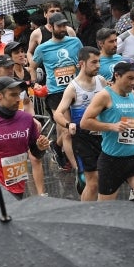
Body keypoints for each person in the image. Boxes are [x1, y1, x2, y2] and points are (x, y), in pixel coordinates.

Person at [81, 61, 134, 207]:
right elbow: (85, 122)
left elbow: (126, 120)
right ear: (117, 75)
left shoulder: (132, 94)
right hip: (112, 161)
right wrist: (111, 126)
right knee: (106, 209)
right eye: (130, 78)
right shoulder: (104, 96)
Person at [52, 47, 107, 201]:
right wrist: (68, 124)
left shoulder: (101, 81)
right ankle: (86, 217)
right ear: (82, 64)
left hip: (103, 135)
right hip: (83, 139)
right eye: (94, 62)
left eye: (99, 62)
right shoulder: (73, 88)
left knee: (105, 179)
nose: (98, 65)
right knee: (93, 183)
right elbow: (58, 112)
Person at [32, 12, 83, 172]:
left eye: (64, 25)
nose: (63, 29)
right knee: (68, 131)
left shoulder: (75, 42)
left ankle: (56, 145)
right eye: (59, 26)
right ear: (51, 27)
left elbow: (83, 60)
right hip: (56, 93)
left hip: (75, 89)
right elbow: (32, 66)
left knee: (76, 128)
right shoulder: (43, 48)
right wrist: (35, 83)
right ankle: (78, 170)